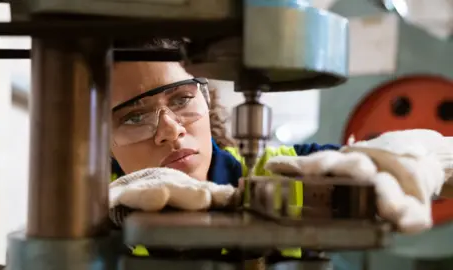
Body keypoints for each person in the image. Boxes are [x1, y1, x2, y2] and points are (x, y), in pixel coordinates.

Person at [108, 40, 453, 259]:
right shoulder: (81, 215)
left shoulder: (287, 171)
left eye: (182, 98)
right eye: (134, 117)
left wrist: (422, 154)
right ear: (97, 138)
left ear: (206, 97)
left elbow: (376, 165)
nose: (170, 130)